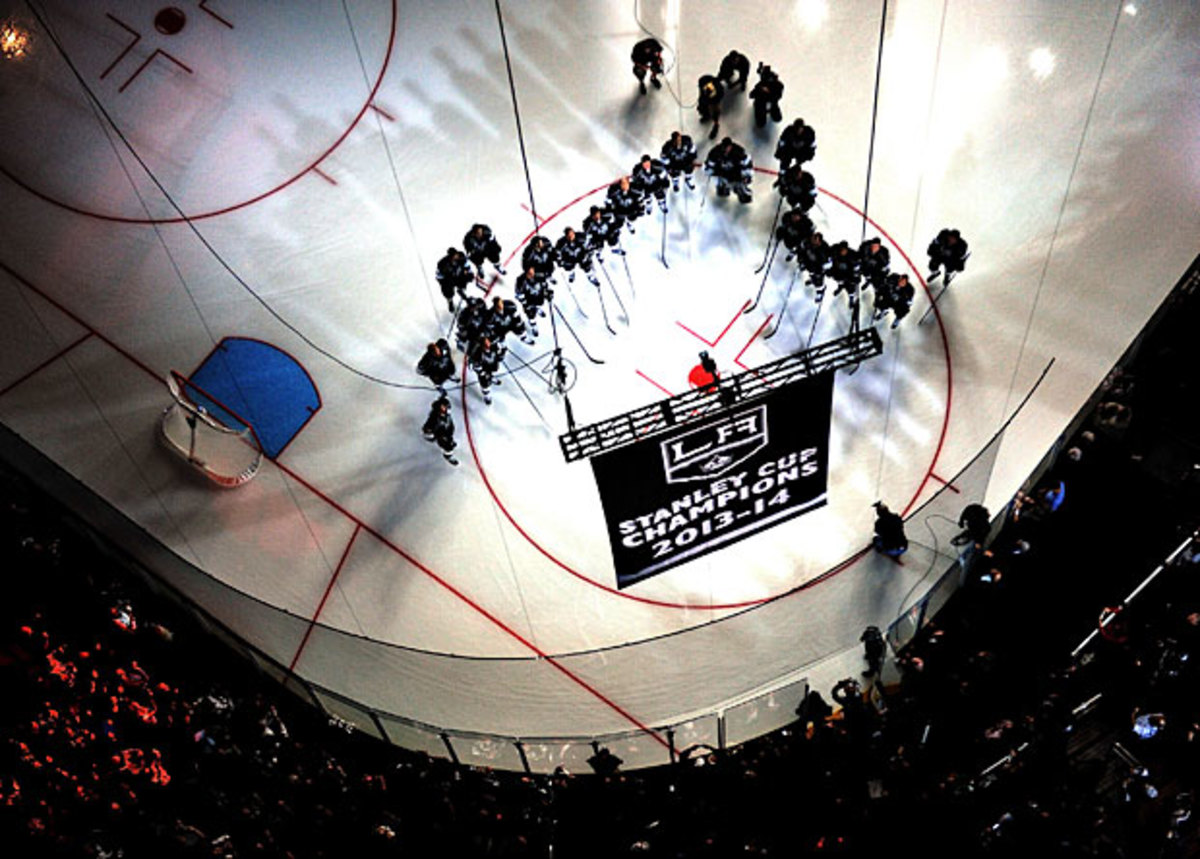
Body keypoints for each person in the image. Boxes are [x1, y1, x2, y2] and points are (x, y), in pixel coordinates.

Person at [704, 137, 753, 204]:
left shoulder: (739, 151)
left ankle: (741, 191)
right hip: (722, 173)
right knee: (722, 192)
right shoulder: (715, 152)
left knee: (743, 192)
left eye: (728, 147)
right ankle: (722, 188)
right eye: (725, 147)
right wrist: (712, 172)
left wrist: (747, 176)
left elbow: (747, 163)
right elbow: (709, 165)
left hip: (736, 173)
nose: (726, 149)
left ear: (731, 146)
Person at [515, 264, 553, 336]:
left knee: (540, 304)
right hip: (529, 301)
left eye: (533, 272)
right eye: (529, 273)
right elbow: (519, 294)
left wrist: (548, 292)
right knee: (531, 315)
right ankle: (533, 326)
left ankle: (538, 309)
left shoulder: (539, 275)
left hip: (539, 296)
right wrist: (525, 304)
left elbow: (544, 285)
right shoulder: (520, 281)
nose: (532, 275)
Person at [434, 247, 474, 313]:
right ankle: (450, 301)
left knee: (466, 278)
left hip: (459, 276)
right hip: (448, 280)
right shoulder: (442, 264)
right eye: (454, 256)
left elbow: (467, 266)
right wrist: (444, 282)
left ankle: (461, 290)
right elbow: (439, 276)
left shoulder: (461, 257)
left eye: (456, 254)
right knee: (447, 291)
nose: (456, 256)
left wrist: (468, 273)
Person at [422, 395, 458, 466]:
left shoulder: (445, 413)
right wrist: (435, 436)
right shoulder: (434, 418)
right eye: (444, 407)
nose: (447, 408)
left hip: (447, 431)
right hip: (441, 435)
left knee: (450, 439)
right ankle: (448, 456)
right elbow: (427, 429)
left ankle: (450, 442)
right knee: (448, 446)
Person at [469, 336, 506, 405]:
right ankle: (487, 397)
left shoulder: (494, 346)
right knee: (485, 385)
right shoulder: (478, 353)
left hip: (491, 365)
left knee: (491, 373)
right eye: (485, 343)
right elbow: (475, 366)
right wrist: (482, 372)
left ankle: (491, 377)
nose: (488, 344)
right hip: (483, 370)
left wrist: (501, 353)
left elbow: (498, 354)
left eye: (488, 342)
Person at [798, 231, 831, 301]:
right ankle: (812, 279)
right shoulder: (808, 243)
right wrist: (801, 261)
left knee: (818, 281)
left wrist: (820, 270)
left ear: (819, 241)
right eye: (813, 239)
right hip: (810, 264)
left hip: (818, 268)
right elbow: (802, 251)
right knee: (811, 273)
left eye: (815, 240)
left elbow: (827, 263)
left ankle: (820, 292)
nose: (813, 241)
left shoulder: (824, 250)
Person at [749, 62, 784, 128]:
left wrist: (769, 93)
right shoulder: (760, 85)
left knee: (778, 118)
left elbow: (778, 96)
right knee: (760, 124)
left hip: (772, 102)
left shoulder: (779, 86)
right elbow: (751, 95)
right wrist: (760, 91)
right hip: (761, 103)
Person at [697, 74, 725, 139]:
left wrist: (712, 103)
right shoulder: (703, 82)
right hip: (705, 99)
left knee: (715, 113)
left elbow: (719, 96)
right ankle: (706, 115)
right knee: (702, 108)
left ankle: (716, 125)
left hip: (714, 100)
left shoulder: (718, 90)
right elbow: (701, 95)